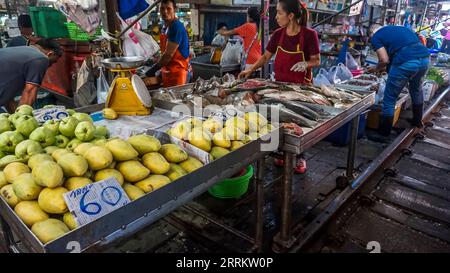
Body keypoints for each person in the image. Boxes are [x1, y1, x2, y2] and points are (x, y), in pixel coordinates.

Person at [239, 0, 320, 174]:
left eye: (279, 13)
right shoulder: (278, 34)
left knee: (298, 123)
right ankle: (281, 152)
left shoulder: (309, 35)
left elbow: (316, 60)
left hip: (300, 88)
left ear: (291, 16)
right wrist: (250, 70)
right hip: (279, 86)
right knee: (279, 120)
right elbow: (265, 57)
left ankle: (300, 156)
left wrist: (306, 63)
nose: (276, 17)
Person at [367, 24, 430, 143]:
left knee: (390, 98)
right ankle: (417, 121)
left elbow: (384, 60)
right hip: (425, 59)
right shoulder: (401, 28)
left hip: (406, 62)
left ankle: (384, 134)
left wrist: (376, 68)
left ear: (371, 33)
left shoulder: (376, 37)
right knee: (416, 90)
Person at [0, 39, 62, 112]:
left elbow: (8, 97)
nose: (50, 66)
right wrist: (21, 118)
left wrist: (14, 115)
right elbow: (30, 91)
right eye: (52, 62)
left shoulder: (19, 53)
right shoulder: (40, 58)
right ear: (50, 54)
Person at [146, 0, 190, 87]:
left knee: (176, 100)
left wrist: (153, 69)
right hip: (168, 71)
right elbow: (165, 52)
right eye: (162, 8)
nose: (165, 11)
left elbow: (168, 55)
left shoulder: (176, 27)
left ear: (175, 10)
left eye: (168, 8)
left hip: (178, 74)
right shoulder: (165, 27)